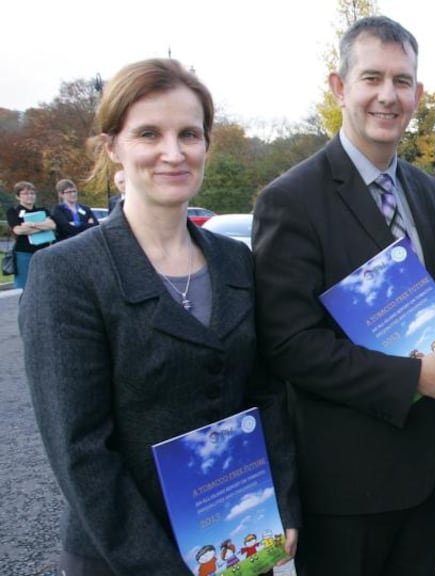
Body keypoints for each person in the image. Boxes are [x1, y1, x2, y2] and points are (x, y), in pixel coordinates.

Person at [19, 58, 299, 575]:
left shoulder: (236, 261)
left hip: (234, 542)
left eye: (189, 134)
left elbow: (265, 395)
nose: (173, 153)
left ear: (206, 146)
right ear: (112, 148)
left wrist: (281, 502)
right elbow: (80, 451)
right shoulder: (68, 273)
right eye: (149, 133)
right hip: (123, 557)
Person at [251, 16, 435, 576]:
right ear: (339, 87)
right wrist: (410, 379)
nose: (388, 96)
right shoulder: (290, 200)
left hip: (428, 469)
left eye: (403, 81)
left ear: (418, 94)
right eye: (372, 77)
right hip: (346, 486)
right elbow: (288, 344)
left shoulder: (424, 192)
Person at [5, 181, 56, 289]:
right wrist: (42, 227)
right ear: (18, 196)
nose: (30, 196)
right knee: (26, 286)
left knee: (44, 284)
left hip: (43, 251)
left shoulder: (42, 211)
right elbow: (18, 230)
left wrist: (32, 225)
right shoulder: (13, 212)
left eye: (32, 193)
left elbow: (51, 225)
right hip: (24, 252)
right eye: (26, 194)